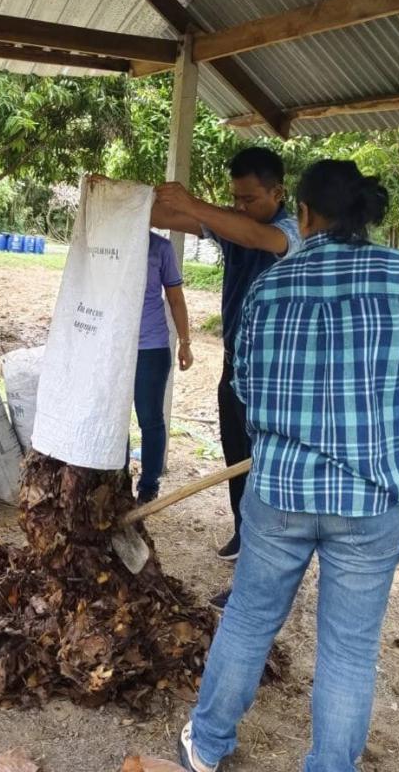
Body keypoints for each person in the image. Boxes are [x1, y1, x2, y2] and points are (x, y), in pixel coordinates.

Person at [177, 160, 399, 772]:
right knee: (349, 650)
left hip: (280, 489)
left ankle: (205, 747)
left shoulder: (272, 285)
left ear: (304, 214)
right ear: (363, 214)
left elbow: (247, 387)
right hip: (372, 499)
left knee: (250, 622)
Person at [150, 148, 302, 590]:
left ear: (278, 192)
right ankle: (244, 531)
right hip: (236, 365)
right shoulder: (234, 226)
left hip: (273, 377)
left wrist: (195, 203)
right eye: (234, 199)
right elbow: (172, 218)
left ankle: (262, 569)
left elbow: (258, 238)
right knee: (236, 455)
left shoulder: (291, 232)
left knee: (264, 468)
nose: (239, 207)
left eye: (249, 199)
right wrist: (129, 201)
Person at [133, 229, 193, 503]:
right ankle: (115, 480)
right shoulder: (111, 242)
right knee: (112, 417)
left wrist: (185, 342)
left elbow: (176, 297)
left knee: (150, 418)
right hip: (114, 350)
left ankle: (148, 487)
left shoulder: (161, 248)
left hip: (151, 348)